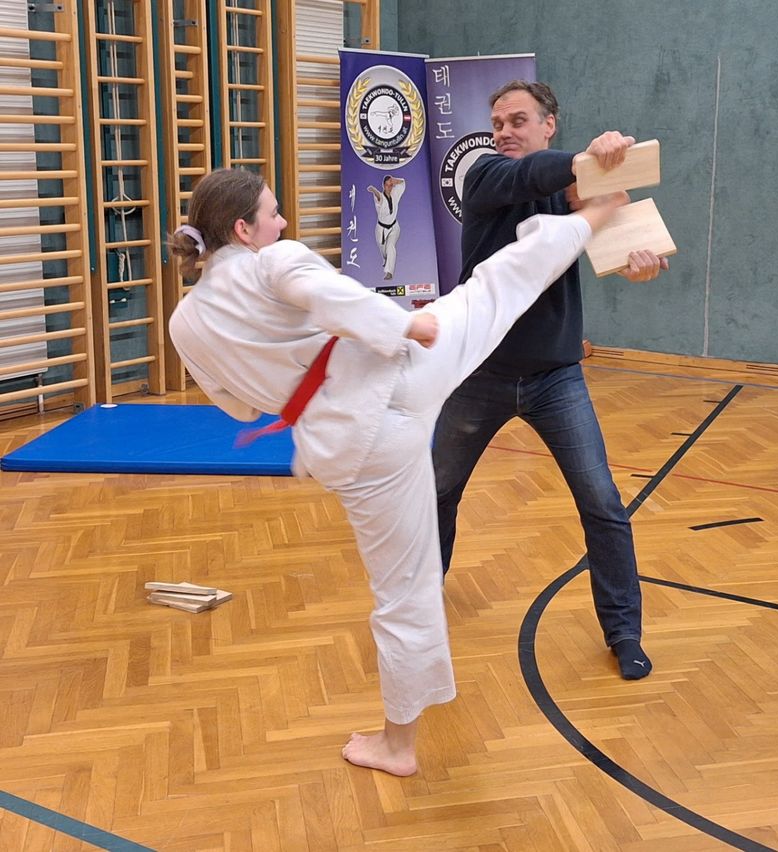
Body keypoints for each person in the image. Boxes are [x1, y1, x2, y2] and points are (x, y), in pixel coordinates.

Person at [167, 167, 624, 776]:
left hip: (353, 446)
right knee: (491, 288)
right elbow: (322, 292)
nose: (282, 223)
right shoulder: (274, 260)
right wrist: (402, 322)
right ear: (243, 229)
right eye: (273, 214)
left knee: (402, 591)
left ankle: (398, 745)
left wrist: (297, 367)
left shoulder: (184, 324)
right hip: (402, 369)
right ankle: (597, 215)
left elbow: (241, 405)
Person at [433, 80, 669, 681]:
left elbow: (631, 253)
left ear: (548, 123)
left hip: (556, 378)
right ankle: (418, 599)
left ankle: (624, 632)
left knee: (602, 504)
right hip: (477, 374)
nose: (503, 131)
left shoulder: (575, 193)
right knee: (435, 493)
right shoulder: (484, 176)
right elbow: (528, 176)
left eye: (518, 120)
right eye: (497, 121)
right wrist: (592, 159)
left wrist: (639, 267)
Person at [367, 175, 405, 279]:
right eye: (387, 185)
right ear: (383, 185)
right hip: (381, 229)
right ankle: (385, 259)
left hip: (394, 227)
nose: (389, 187)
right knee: (383, 249)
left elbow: (403, 183)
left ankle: (389, 272)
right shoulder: (380, 196)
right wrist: (374, 190)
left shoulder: (395, 194)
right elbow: (379, 197)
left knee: (390, 246)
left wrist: (395, 180)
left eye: (391, 185)